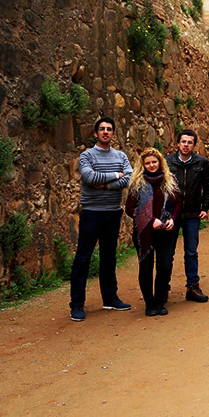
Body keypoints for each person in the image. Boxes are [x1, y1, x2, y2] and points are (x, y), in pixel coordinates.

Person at [70, 117, 133, 322]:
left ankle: (110, 298)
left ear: (113, 134)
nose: (106, 132)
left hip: (112, 212)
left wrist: (106, 185)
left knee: (109, 257)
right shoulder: (86, 155)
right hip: (91, 213)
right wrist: (116, 174)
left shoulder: (121, 155)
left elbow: (129, 179)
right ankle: (77, 305)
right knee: (83, 258)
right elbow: (89, 178)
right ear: (96, 133)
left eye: (109, 129)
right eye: (102, 129)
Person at [125, 147, 181, 316]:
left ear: (160, 162)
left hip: (166, 230)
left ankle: (159, 300)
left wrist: (172, 218)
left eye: (154, 162)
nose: (151, 165)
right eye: (147, 163)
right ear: (143, 164)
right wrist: (150, 220)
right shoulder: (138, 183)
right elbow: (130, 208)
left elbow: (178, 202)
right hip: (145, 232)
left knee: (164, 266)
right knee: (146, 267)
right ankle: (149, 303)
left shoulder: (170, 180)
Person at [166, 129, 209, 303]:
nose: (186, 145)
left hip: (192, 213)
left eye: (190, 142)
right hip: (171, 214)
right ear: (178, 143)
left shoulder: (202, 163)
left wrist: (205, 207)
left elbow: (208, 185)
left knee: (191, 251)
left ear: (194, 145)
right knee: (167, 251)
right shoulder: (167, 162)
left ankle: (193, 286)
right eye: (183, 141)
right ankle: (164, 286)